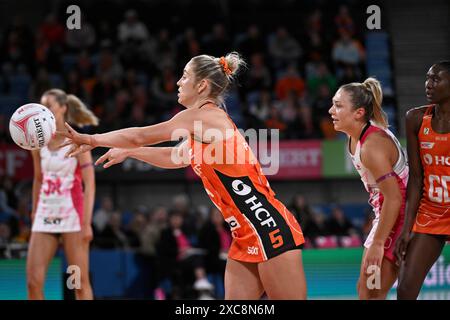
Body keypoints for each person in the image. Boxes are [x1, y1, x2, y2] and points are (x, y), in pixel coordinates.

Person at [58, 52, 307, 300]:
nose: (178, 82)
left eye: (184, 76)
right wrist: (131, 152)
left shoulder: (202, 117)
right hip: (244, 234)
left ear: (202, 85)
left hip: (268, 227)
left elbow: (141, 135)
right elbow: (174, 157)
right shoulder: (201, 127)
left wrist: (92, 139)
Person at [329, 77, 408, 299]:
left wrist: (379, 243)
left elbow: (394, 198)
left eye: (338, 105)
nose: (330, 110)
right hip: (387, 214)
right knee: (366, 290)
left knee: (371, 292)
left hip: (399, 215)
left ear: (359, 113)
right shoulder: (357, 137)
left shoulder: (372, 145)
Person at [26, 89, 98, 300]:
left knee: (76, 283)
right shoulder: (37, 142)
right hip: (45, 213)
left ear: (63, 108)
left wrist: (86, 223)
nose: (43, 110)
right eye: (41, 105)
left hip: (72, 217)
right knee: (33, 282)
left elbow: (89, 184)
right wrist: (34, 210)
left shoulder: (77, 139)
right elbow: (38, 179)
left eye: (48, 106)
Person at [395, 61, 450, 299]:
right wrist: (406, 229)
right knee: (405, 288)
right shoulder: (415, 119)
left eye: (436, 79)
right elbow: (416, 180)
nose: (428, 84)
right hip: (431, 213)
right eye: (428, 78)